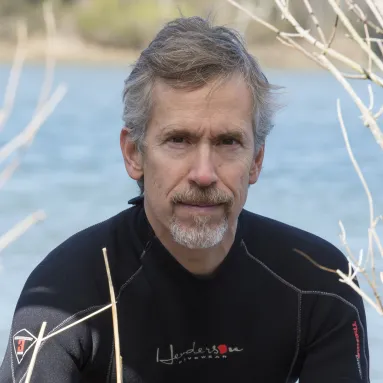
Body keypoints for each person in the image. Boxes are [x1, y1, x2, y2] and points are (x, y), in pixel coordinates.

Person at [0, 16, 369, 383]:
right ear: (134, 154)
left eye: (228, 142)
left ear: (256, 160)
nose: (204, 173)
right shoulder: (63, 296)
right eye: (179, 140)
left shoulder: (321, 285)